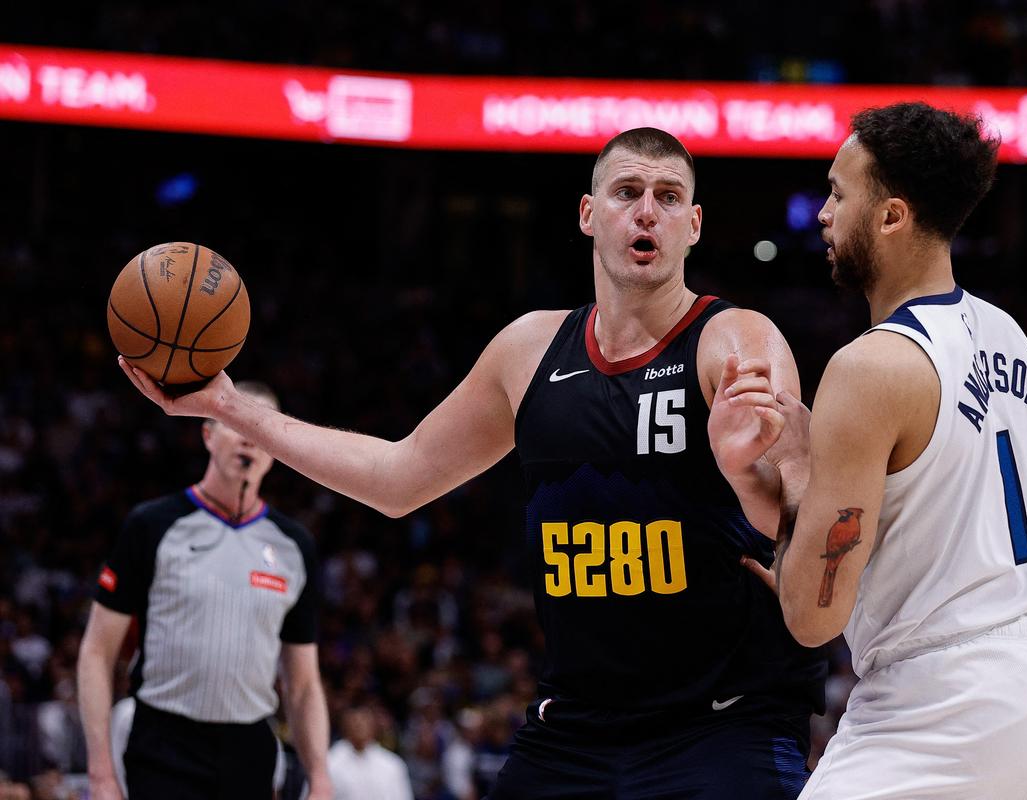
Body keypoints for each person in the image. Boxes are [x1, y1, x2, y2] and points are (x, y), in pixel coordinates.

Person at [117, 127, 827, 798]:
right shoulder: (527, 352)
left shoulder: (734, 341)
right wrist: (231, 410)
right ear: (588, 213)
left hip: (720, 724)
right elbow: (398, 480)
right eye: (626, 192)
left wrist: (745, 475)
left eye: (669, 196)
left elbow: (804, 522)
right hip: (576, 728)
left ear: (694, 225)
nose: (647, 211)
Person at [738, 102, 1027, 798]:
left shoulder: (870, 366)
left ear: (892, 216)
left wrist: (793, 471)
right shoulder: (1010, 334)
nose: (821, 214)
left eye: (839, 194)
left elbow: (813, 620)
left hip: (947, 701)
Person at [77, 381, 333, 800]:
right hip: (164, 741)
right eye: (236, 423)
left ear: (278, 451)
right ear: (208, 435)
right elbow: (96, 653)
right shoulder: (153, 525)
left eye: (261, 428)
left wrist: (319, 775)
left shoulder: (295, 547)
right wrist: (100, 772)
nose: (249, 437)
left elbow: (303, 684)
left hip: (250, 747)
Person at [327, 705, 414, 800]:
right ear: (344, 726)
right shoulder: (330, 762)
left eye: (364, 721)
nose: (359, 726)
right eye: (355, 722)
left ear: (373, 725)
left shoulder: (391, 763)